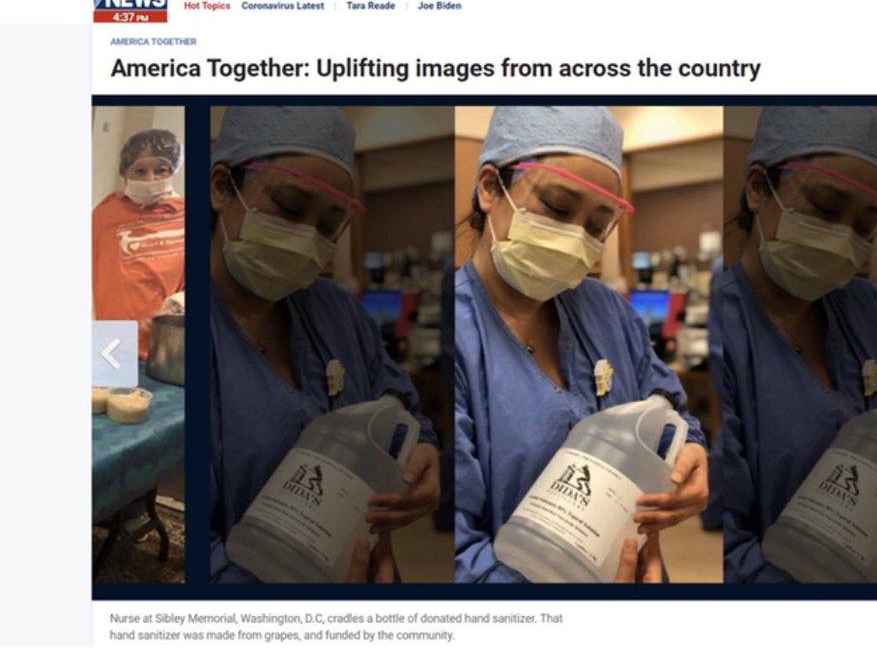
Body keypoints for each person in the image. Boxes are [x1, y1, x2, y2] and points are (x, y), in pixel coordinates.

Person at [455, 106, 709, 583]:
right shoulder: (462, 337)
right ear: (489, 188)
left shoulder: (608, 312)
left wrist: (691, 452)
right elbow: (455, 549)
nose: (574, 237)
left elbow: (667, 408)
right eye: (556, 208)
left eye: (596, 226)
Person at [719, 107, 877, 583]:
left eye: (864, 225)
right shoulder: (729, 333)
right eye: (826, 207)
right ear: (758, 188)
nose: (842, 237)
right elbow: (724, 542)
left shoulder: (874, 314)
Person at [208, 107, 440, 583]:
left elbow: (401, 411)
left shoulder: (336, 314)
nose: (306, 237)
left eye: (330, 224)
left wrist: (424, 454)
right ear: (221, 187)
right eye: (289, 207)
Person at [92, 128, 185, 359]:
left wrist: (181, 303)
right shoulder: (106, 216)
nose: (150, 179)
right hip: (112, 345)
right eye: (140, 171)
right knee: (113, 384)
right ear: (125, 172)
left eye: (160, 170)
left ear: (173, 170)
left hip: (167, 347)